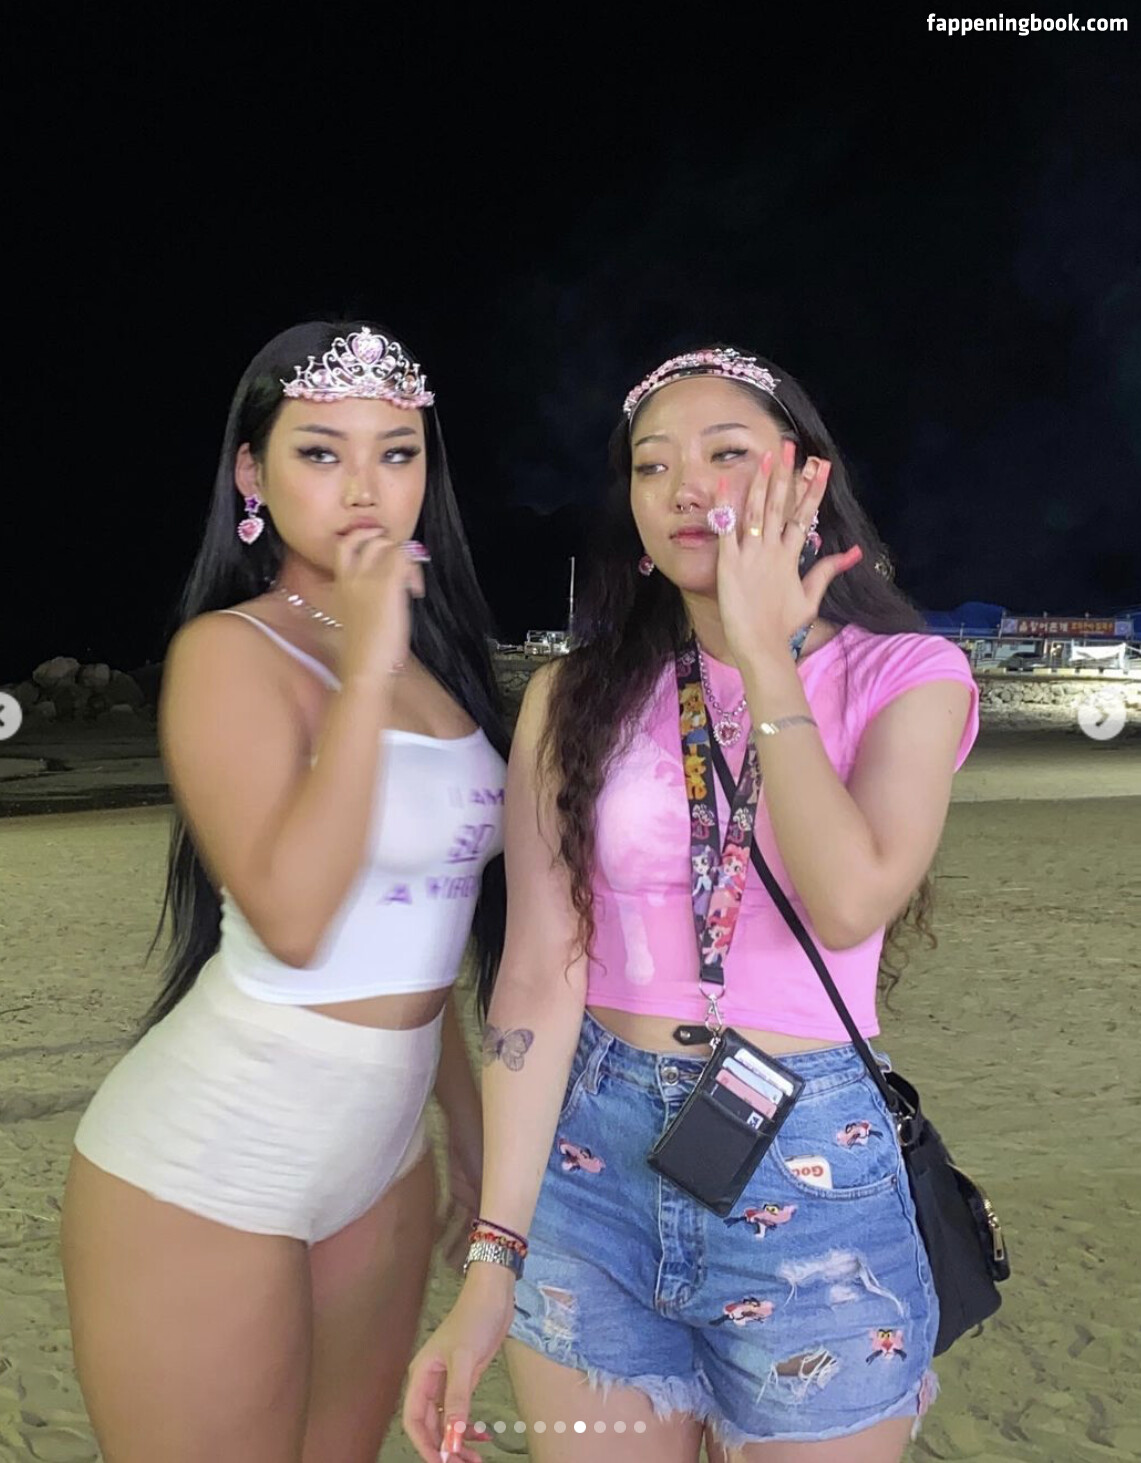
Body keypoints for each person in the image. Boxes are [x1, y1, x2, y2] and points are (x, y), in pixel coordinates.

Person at [403, 346, 979, 1463]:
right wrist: (492, 1258)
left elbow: (849, 899)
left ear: (805, 479)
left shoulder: (907, 674)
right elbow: (536, 974)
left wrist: (764, 657)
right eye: (651, 464)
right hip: (590, 1162)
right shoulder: (575, 693)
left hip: (811, 1164)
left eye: (724, 453)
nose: (684, 488)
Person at [60, 320, 507, 1463]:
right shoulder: (230, 651)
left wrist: (466, 1122)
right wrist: (364, 669)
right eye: (320, 451)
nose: (365, 488)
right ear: (250, 474)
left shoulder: (432, 662)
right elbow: (298, 920)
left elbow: (426, 924)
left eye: (397, 453)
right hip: (213, 1157)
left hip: (384, 1155)